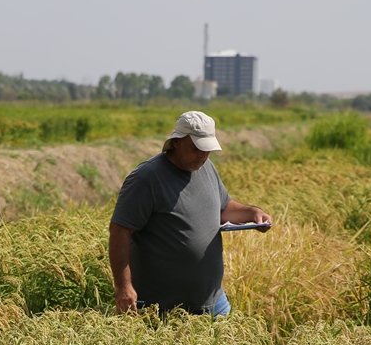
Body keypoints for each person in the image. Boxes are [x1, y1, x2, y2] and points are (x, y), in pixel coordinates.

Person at [109, 111, 271, 317]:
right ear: (176, 142)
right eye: (197, 148)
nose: (203, 155)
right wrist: (123, 287)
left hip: (213, 300)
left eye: (208, 150)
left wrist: (254, 213)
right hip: (162, 308)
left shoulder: (206, 168)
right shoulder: (147, 179)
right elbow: (120, 230)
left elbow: (224, 207)